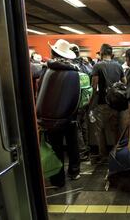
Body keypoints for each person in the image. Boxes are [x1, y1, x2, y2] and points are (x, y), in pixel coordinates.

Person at [36, 39, 81, 187]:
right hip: (69, 117)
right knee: (72, 144)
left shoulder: (46, 70)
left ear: (52, 53)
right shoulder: (74, 73)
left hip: (49, 118)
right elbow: (76, 97)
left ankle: (57, 179)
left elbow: (40, 92)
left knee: (55, 148)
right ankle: (74, 172)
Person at [90, 44, 126, 162]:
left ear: (101, 53)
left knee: (99, 130)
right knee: (115, 129)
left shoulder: (97, 66)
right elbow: (124, 83)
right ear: (112, 54)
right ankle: (116, 153)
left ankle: (103, 155)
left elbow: (94, 86)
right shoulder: (119, 66)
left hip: (102, 103)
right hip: (115, 103)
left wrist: (90, 102)